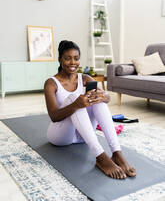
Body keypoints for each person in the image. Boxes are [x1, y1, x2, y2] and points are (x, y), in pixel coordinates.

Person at [44, 40, 136, 179]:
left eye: (76, 58)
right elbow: (54, 116)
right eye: (67, 58)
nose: (72, 62)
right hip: (61, 136)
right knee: (75, 99)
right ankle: (100, 157)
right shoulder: (51, 83)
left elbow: (107, 100)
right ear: (60, 60)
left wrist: (104, 95)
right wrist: (76, 104)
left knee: (97, 98)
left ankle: (117, 153)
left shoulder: (86, 78)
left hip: (83, 135)